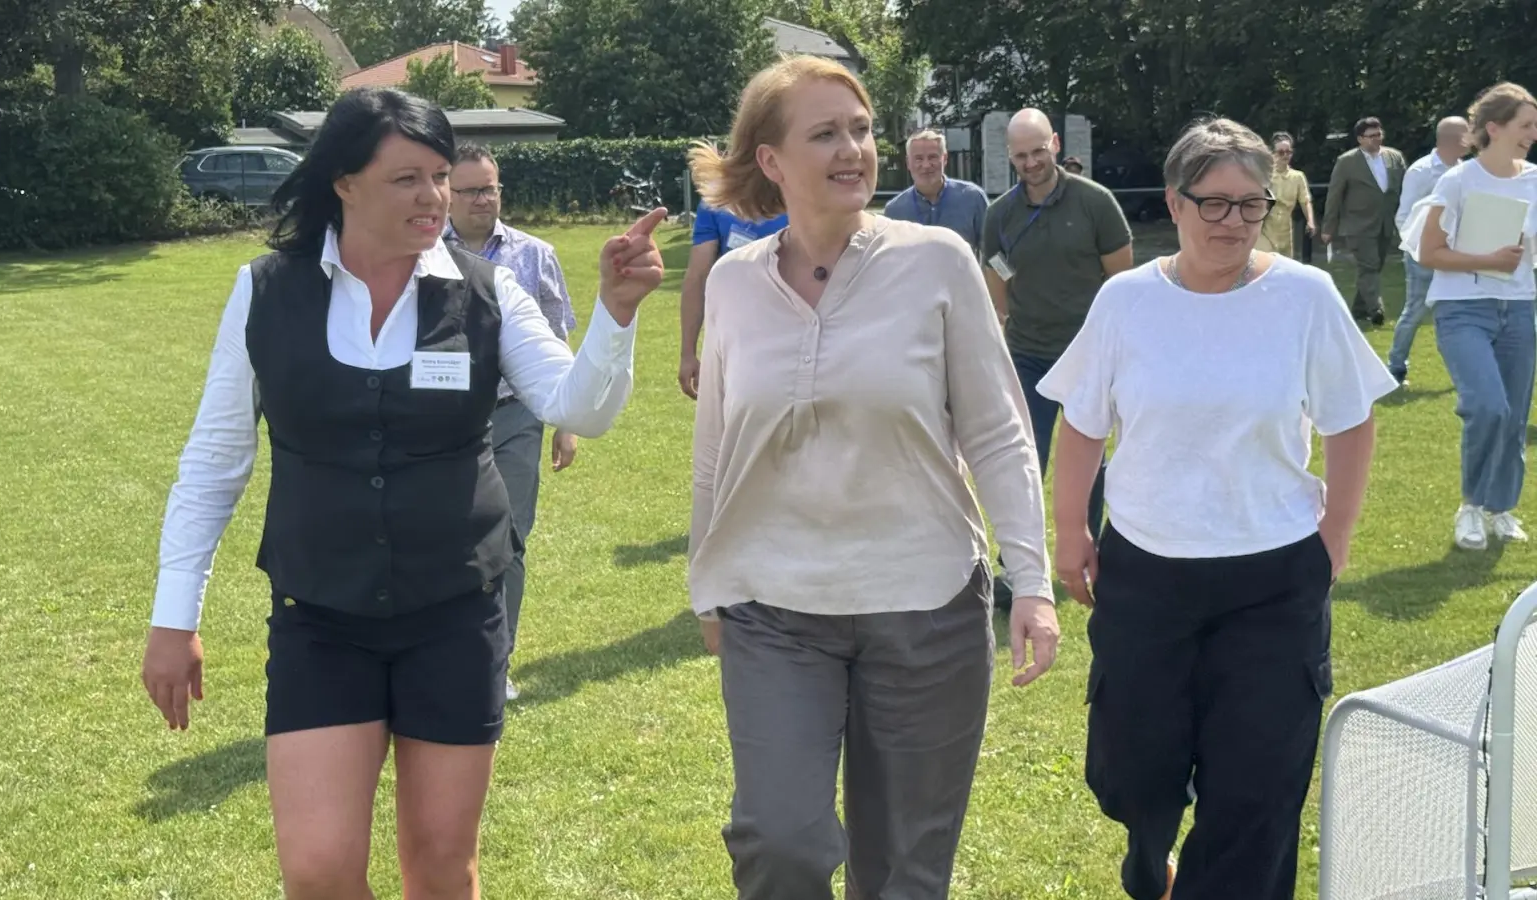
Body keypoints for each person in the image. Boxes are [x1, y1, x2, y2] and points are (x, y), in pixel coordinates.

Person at [139, 87, 666, 900]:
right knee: (316, 869)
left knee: (440, 868)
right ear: (344, 183)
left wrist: (618, 315)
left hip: (455, 612)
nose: (433, 199)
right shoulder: (268, 292)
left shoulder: (486, 292)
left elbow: (578, 408)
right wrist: (175, 616)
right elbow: (215, 459)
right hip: (321, 616)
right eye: (407, 180)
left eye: (439, 178)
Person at [686, 56, 1058, 899]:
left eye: (860, 130)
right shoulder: (735, 285)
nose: (854, 148)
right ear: (772, 161)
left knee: (903, 872)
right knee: (778, 842)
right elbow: (715, 446)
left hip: (924, 607)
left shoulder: (939, 261)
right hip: (774, 610)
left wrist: (1029, 582)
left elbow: (999, 431)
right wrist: (707, 583)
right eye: (825, 133)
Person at [1044, 116, 1395, 900]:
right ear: (1175, 202)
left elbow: (1351, 419)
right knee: (1133, 772)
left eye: (1251, 204)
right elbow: (1082, 425)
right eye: (1216, 204)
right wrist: (1070, 533)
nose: (1235, 222)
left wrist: (1332, 539)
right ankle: (1147, 848)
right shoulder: (1126, 301)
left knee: (1258, 792)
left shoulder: (1306, 296)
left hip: (1272, 579)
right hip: (1146, 573)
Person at [979, 107, 1133, 605]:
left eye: (1038, 151)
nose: (1031, 163)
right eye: (1020, 156)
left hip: (1089, 356)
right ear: (1010, 158)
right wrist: (1002, 334)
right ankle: (1017, 570)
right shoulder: (1000, 213)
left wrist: (1113, 349)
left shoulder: (1095, 203)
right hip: (1028, 356)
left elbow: (1121, 281)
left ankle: (1086, 550)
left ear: (1056, 144)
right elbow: (996, 278)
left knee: (1089, 460)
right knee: (1024, 458)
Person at [445, 142, 579, 701]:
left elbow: (556, 337)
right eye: (471, 189)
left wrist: (566, 421)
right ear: (446, 195)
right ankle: (443, 654)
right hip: (446, 421)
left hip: (517, 415)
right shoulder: (424, 253)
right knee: (447, 540)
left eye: (491, 187)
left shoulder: (534, 255)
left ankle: (495, 664)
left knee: (510, 539)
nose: (484, 199)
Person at [1402, 83, 1537, 551]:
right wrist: (1488, 260)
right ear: (1493, 129)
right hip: (1463, 310)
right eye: (1525, 125)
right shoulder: (1457, 181)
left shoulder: (1535, 180)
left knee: (1514, 416)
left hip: (1521, 308)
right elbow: (1428, 252)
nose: (1533, 134)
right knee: (1487, 406)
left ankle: (1500, 509)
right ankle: (1471, 506)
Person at [1387, 116, 1470, 384]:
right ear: (1456, 140)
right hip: (1422, 254)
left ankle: (1460, 371)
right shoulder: (1421, 171)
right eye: (1467, 134)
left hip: (1454, 255)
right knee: (1415, 311)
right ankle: (1396, 367)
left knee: (1454, 311)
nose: (1473, 139)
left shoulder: (1464, 170)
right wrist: (1419, 252)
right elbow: (1403, 216)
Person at [678, 200, 788, 398]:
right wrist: (687, 353)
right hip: (735, 343)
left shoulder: (801, 192)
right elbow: (698, 277)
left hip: (793, 337)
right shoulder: (715, 201)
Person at [1321, 116, 1407, 325]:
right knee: (1369, 266)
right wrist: (1328, 227)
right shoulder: (1347, 162)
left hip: (1386, 224)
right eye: (1371, 136)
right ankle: (1376, 309)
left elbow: (1406, 189)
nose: (1376, 139)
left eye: (1379, 134)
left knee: (1374, 268)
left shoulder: (1394, 158)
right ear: (1360, 139)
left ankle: (1358, 309)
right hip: (1358, 225)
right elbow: (1335, 195)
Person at [882, 129, 990, 253]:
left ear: (944, 159)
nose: (926, 165)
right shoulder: (894, 211)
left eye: (932, 157)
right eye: (918, 159)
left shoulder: (973, 198)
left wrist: (1003, 273)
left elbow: (994, 252)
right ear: (908, 163)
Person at [1254, 132, 1315, 257]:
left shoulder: (1297, 176)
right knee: (1265, 264)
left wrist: (1310, 221)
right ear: (1272, 154)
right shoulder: (1265, 175)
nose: (1285, 155)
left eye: (1289, 152)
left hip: (1286, 230)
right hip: (1265, 229)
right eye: (1281, 152)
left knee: (1284, 267)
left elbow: (1305, 200)